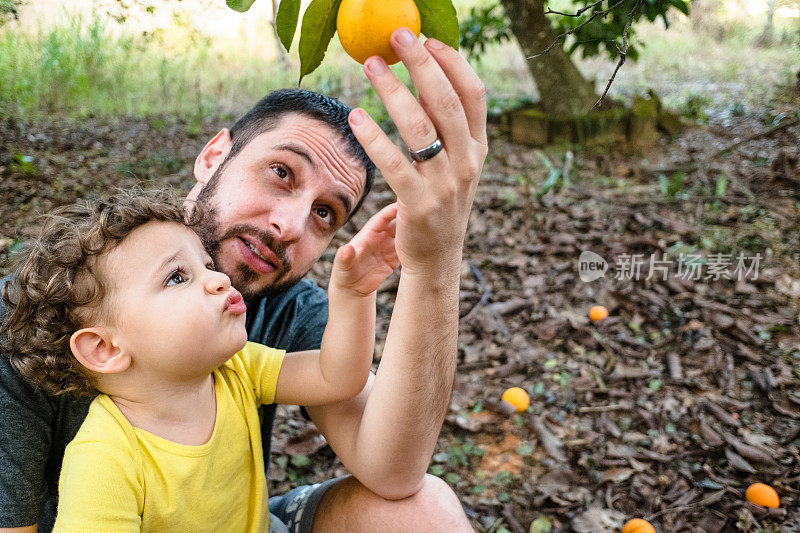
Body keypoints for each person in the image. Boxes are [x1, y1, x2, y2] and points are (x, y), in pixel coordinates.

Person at [0, 29, 486, 533]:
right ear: (214, 156)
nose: (291, 227)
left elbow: (391, 466)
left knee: (423, 510)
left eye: (325, 213)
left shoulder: (276, 321)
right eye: (281, 172)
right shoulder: (35, 318)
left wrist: (432, 261)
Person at [2, 187, 401, 532]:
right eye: (177, 276)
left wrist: (355, 294)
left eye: (207, 266)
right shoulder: (103, 459)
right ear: (105, 349)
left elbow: (339, 378)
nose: (220, 279)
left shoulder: (237, 369)